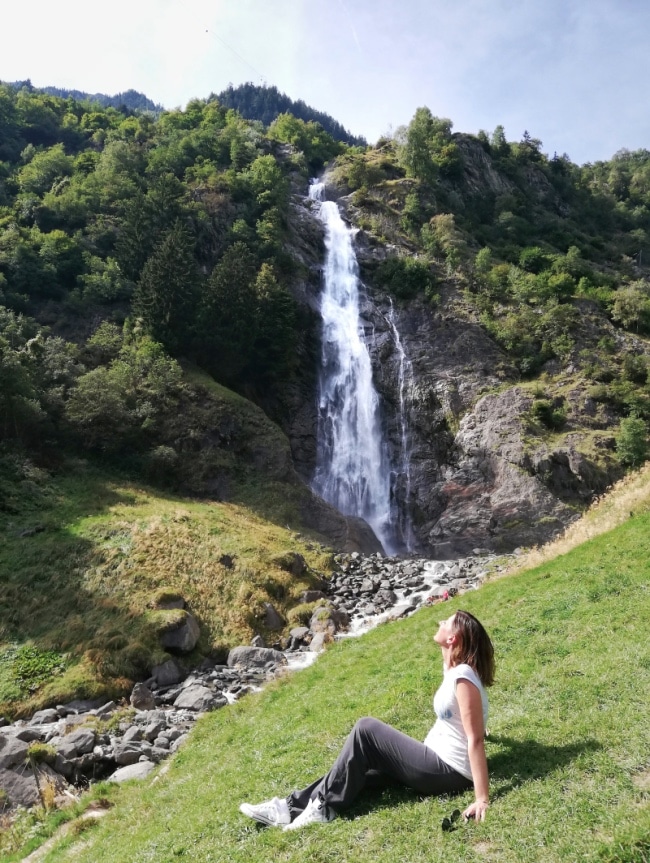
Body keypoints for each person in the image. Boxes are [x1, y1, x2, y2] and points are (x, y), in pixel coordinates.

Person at [239, 609, 495, 831]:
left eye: (446, 622)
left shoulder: (463, 676)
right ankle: (288, 807)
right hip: (434, 762)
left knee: (366, 729)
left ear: (453, 638)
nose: (439, 622)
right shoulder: (455, 671)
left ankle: (323, 809)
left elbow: (474, 739)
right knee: (355, 769)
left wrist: (481, 798)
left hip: (446, 771)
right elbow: (469, 721)